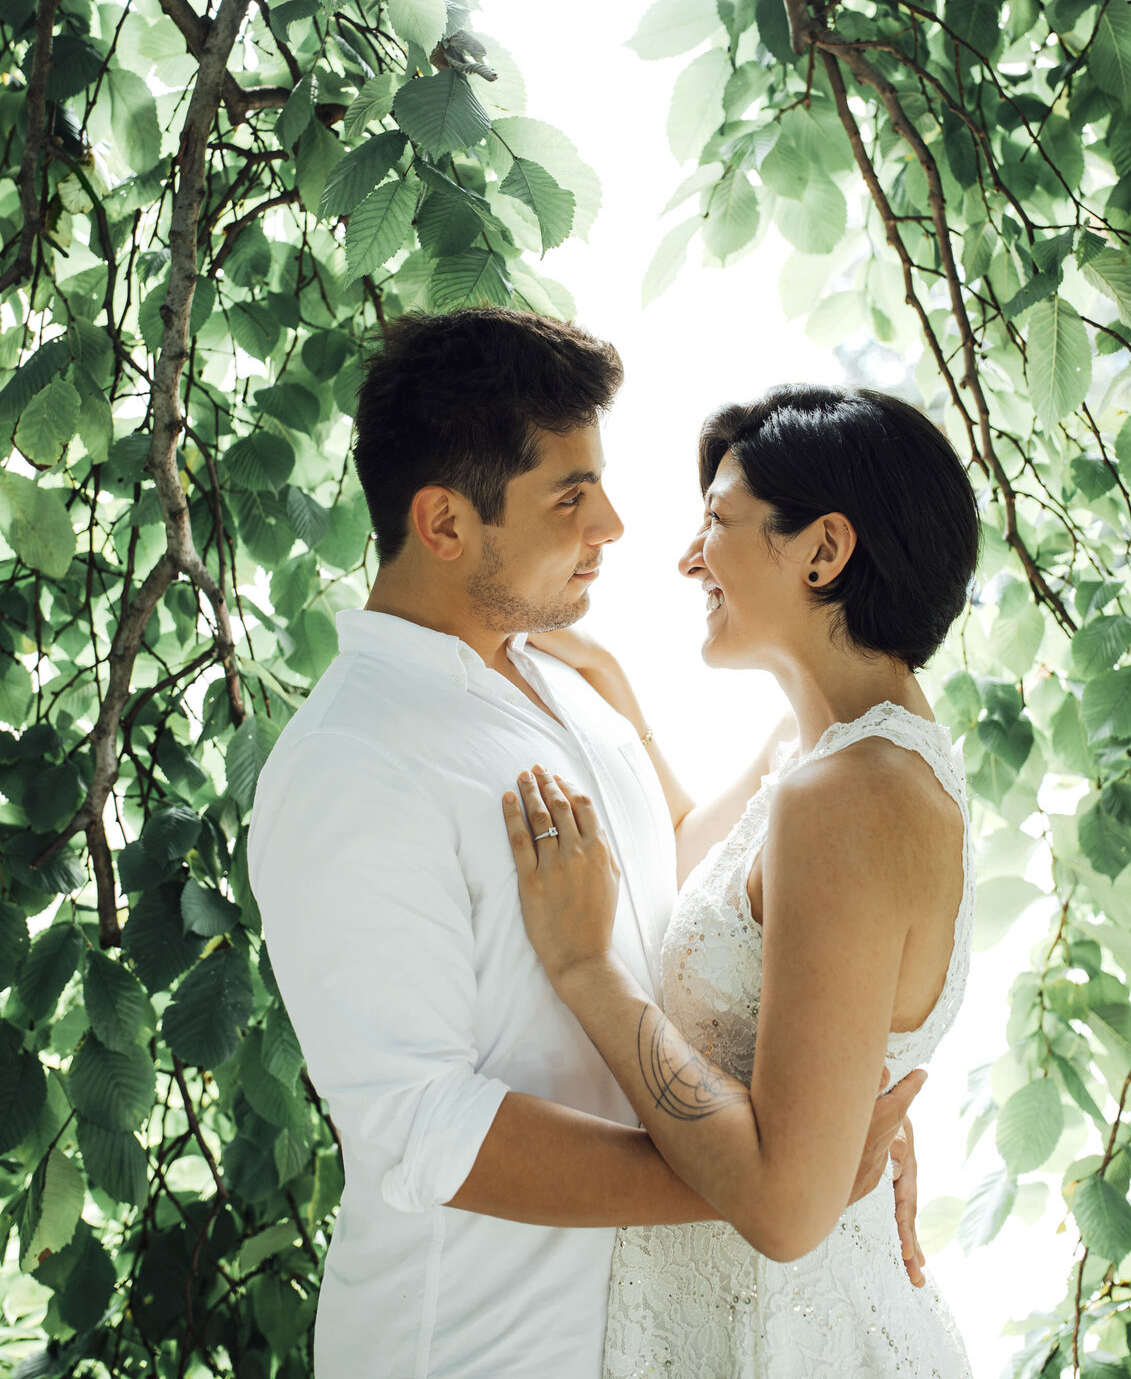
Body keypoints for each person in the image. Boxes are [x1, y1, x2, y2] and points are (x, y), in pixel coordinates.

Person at [247, 312, 926, 1379]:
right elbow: (425, 1125)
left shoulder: (561, 680)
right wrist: (772, 1181)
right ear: (442, 524)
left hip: (650, 1335)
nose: (613, 523)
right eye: (570, 496)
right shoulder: (352, 762)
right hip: (482, 1346)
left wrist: (820, 1094)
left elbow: (672, 903)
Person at [502, 382, 979, 1377]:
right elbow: (694, 874)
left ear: (824, 550)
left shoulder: (850, 794)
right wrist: (615, 698)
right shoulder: (817, 757)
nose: (686, 558)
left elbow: (782, 1209)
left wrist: (589, 970)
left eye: (716, 523)